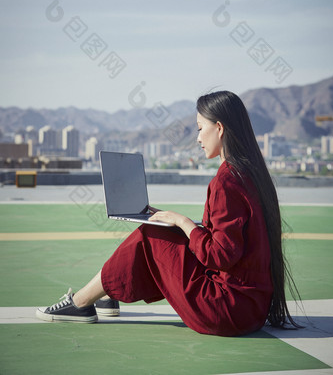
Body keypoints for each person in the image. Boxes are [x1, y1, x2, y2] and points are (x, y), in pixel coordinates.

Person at [36, 91, 299, 336]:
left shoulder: (226, 182)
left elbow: (219, 256)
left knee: (150, 233)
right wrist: (175, 223)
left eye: (200, 129)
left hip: (226, 311)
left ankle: (82, 302)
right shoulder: (252, 176)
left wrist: (183, 222)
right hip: (251, 310)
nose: (197, 138)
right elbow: (231, 243)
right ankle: (106, 293)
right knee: (163, 230)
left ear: (219, 128)